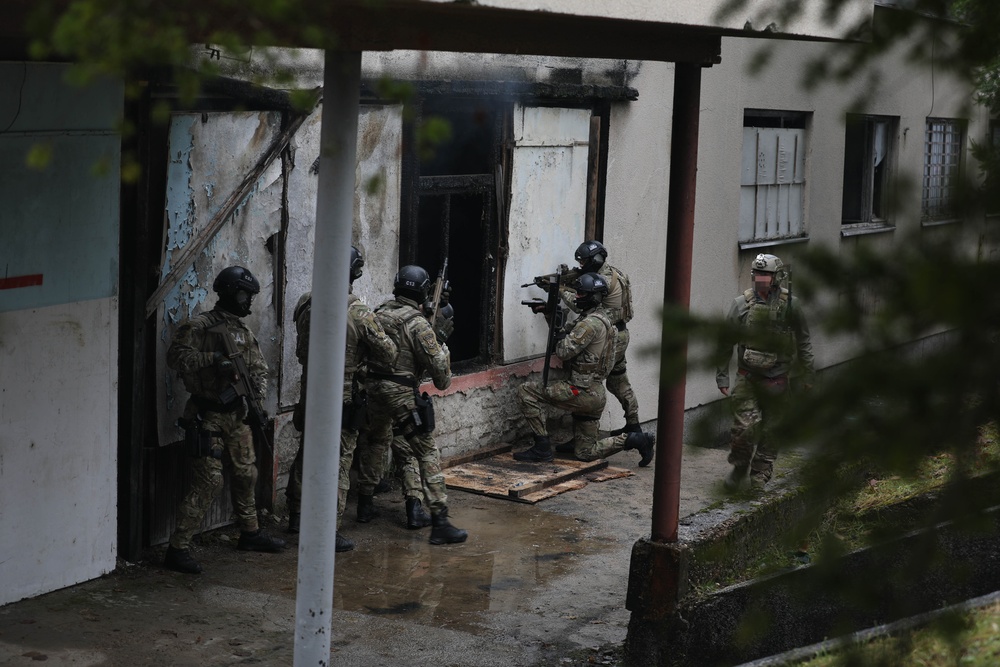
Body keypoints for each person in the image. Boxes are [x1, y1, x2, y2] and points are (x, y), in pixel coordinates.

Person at [163, 266, 286, 574]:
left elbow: (258, 370)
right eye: (246, 295)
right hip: (207, 417)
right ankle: (177, 548)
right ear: (231, 293)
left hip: (237, 417)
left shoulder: (243, 332)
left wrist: (255, 399)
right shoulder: (199, 327)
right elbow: (176, 358)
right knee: (209, 481)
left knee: (247, 474)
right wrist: (212, 360)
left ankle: (250, 532)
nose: (249, 303)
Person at [285, 246, 397, 553]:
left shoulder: (306, 303)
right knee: (340, 461)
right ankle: (327, 530)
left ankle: (296, 516)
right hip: (342, 397)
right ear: (355, 273)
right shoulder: (359, 312)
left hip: (310, 392)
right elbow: (388, 354)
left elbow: (301, 349)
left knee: (306, 453)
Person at [356, 265, 467, 545]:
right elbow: (441, 378)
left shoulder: (377, 313)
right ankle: (440, 521)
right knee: (426, 451)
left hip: (372, 387)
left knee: (375, 441)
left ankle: (365, 504)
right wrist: (441, 343)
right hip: (400, 392)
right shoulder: (419, 324)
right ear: (422, 291)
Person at [514, 272, 655, 466]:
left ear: (594, 297)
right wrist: (549, 312)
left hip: (580, 392)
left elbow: (563, 351)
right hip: (595, 393)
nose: (577, 298)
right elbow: (565, 331)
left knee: (526, 391)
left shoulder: (590, 324)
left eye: (581, 294)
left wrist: (557, 334)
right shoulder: (601, 319)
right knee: (586, 452)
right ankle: (635, 439)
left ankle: (542, 447)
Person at [716, 253, 815, 491]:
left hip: (778, 379)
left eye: (766, 275)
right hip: (748, 378)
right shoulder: (741, 304)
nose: (760, 279)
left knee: (772, 430)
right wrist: (722, 376)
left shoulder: (792, 305)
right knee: (744, 429)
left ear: (777, 277)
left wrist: (807, 374)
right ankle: (740, 467)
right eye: (757, 274)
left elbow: (804, 341)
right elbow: (725, 342)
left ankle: (760, 474)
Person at [555, 240, 641, 448]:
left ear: (595, 259)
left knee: (586, 383)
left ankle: (583, 438)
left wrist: (559, 289)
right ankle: (634, 426)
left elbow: (578, 303)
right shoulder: (614, 272)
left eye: (585, 261)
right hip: (619, 333)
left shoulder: (600, 279)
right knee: (618, 381)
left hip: (607, 336)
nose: (582, 266)